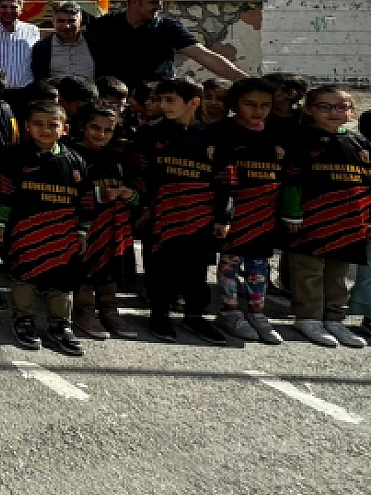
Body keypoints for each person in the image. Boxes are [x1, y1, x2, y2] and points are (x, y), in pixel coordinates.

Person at [0, 102, 92, 355]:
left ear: (65, 129)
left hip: (63, 236)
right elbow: (6, 195)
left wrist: (82, 231)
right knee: (23, 276)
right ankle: (23, 319)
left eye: (52, 125)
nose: (44, 130)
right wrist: (0, 224)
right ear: (27, 126)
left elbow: (87, 200)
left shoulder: (76, 162)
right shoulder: (16, 157)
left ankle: (60, 325)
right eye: (38, 124)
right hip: (25, 233)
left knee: (62, 281)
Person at [129, 78, 223, 343]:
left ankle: (195, 316)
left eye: (171, 100)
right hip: (159, 213)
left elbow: (225, 179)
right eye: (161, 100)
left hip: (199, 215)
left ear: (193, 102)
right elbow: (138, 172)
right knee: (159, 265)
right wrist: (143, 206)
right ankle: (159, 314)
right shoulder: (150, 132)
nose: (163, 105)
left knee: (196, 267)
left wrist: (223, 216)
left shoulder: (213, 137)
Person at [280, 86, 371, 348]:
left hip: (350, 222)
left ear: (352, 111)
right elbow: (291, 180)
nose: (334, 112)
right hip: (311, 220)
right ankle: (308, 317)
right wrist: (292, 213)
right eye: (325, 106)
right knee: (309, 271)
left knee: (338, 273)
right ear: (309, 110)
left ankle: (334, 318)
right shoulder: (301, 141)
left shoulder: (361, 144)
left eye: (341, 107)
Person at [209, 78, 285, 345]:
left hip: (265, 212)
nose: (258, 110)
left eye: (265, 105)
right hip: (233, 213)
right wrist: (223, 215)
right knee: (229, 263)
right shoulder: (221, 133)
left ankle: (257, 312)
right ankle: (229, 312)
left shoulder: (277, 135)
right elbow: (221, 179)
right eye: (250, 104)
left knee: (259, 264)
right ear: (234, 105)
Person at [84, 0, 245, 88]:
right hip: (114, 98)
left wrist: (247, 82)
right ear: (134, 1)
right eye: (154, 2)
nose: (159, 7)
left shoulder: (168, 27)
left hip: (157, 99)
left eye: (161, 2)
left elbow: (205, 56)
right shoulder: (105, 24)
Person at [72, 104, 139, 341]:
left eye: (107, 130)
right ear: (82, 126)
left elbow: (135, 192)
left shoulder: (117, 157)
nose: (101, 135)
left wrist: (128, 195)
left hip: (114, 225)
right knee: (84, 267)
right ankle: (83, 310)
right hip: (83, 225)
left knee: (111, 268)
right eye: (94, 128)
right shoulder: (71, 154)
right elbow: (68, 191)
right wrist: (101, 195)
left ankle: (109, 309)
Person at [29, 1, 97, 83]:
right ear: (53, 21)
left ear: (80, 21)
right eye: (61, 21)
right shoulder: (42, 48)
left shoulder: (95, 44)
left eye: (71, 21)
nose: (66, 26)